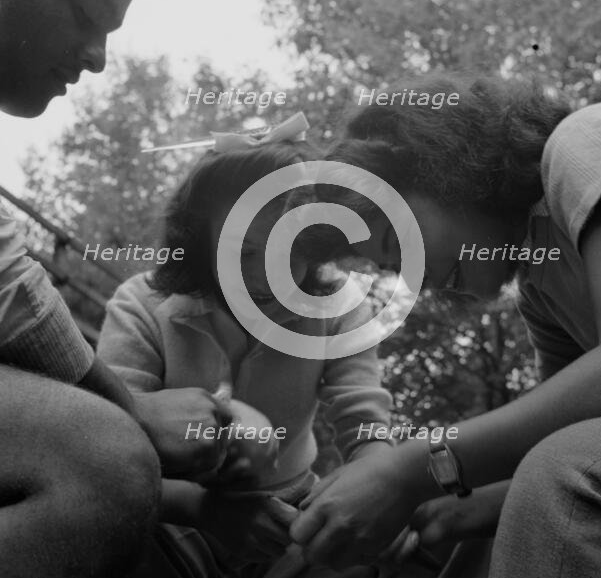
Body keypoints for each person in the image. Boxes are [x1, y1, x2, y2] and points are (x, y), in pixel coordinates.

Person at [290, 73, 601, 577]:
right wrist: (453, 501)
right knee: (473, 535)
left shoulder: (585, 140)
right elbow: (576, 429)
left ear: (439, 169)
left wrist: (410, 470)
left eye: (396, 241)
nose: (415, 277)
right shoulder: (542, 295)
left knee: (562, 473)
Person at [97, 138, 395, 578]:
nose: (265, 274)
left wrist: (375, 486)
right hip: (168, 512)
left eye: (292, 249)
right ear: (200, 239)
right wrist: (200, 509)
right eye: (245, 252)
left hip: (292, 518)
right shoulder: (141, 305)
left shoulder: (342, 308)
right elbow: (105, 447)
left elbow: (363, 414)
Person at [0, 0, 162, 576]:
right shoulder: (148, 306)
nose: (97, 58)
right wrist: (135, 411)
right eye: (87, 14)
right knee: (103, 461)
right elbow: (9, 291)